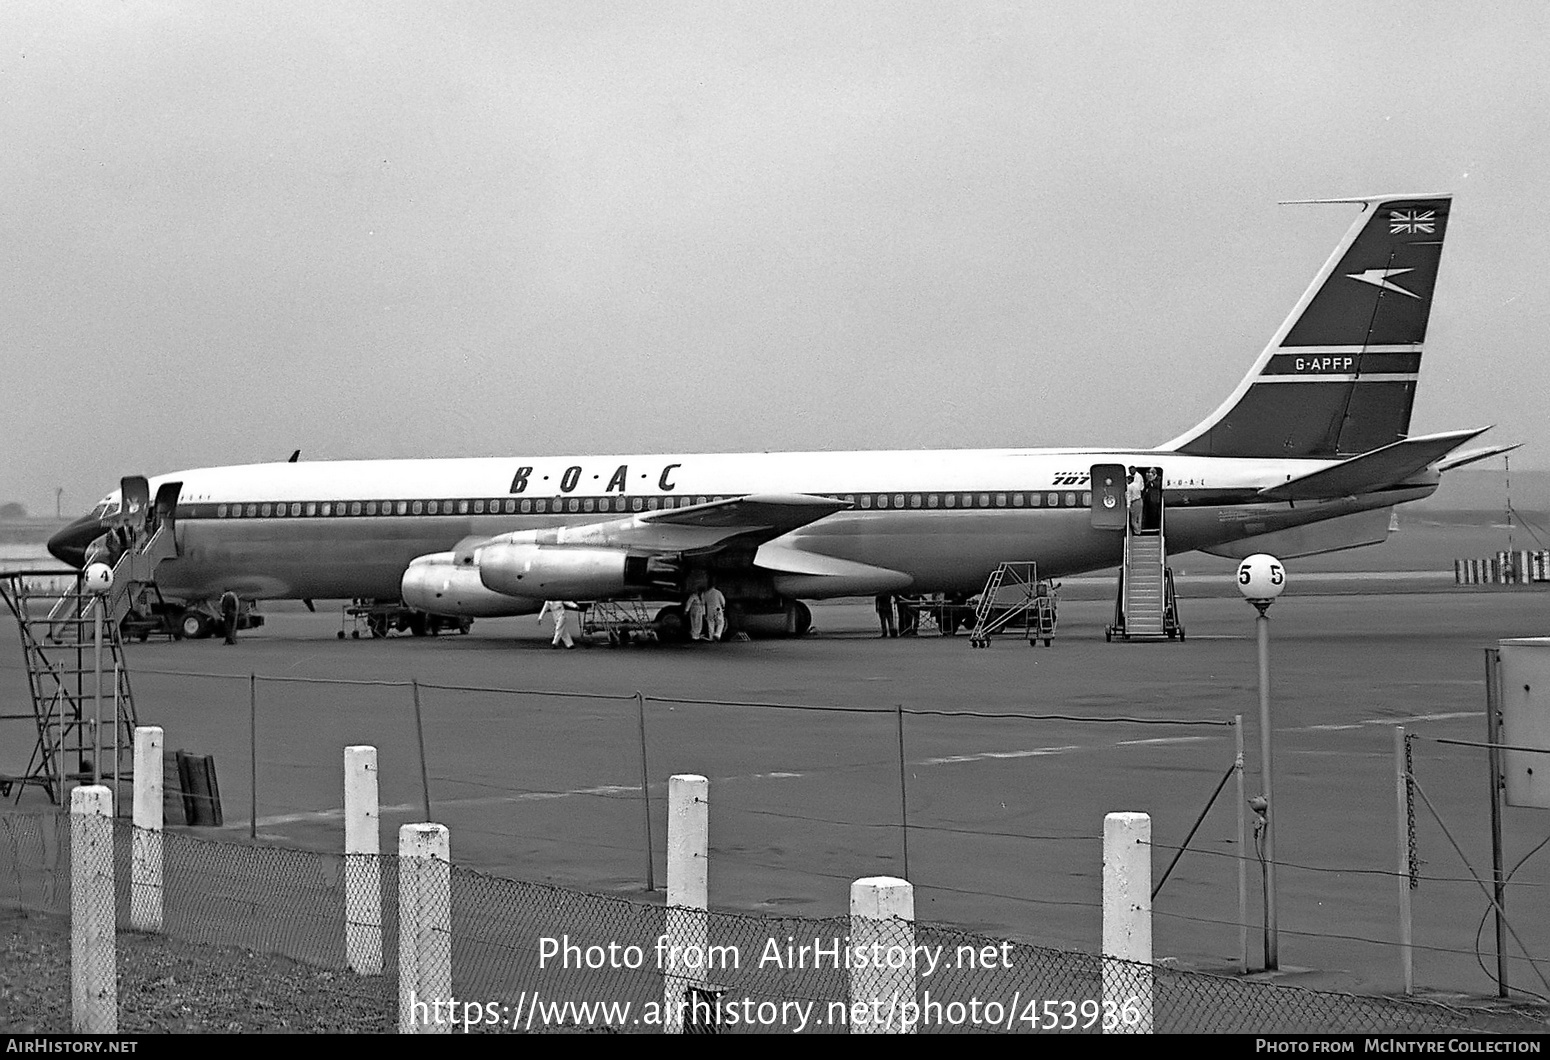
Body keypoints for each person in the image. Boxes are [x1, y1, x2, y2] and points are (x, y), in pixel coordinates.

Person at [1126, 467, 1144, 534]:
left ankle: (1137, 531)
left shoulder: (1129, 487)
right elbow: (1142, 488)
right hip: (1140, 500)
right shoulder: (1137, 485)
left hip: (1134, 502)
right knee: (1139, 517)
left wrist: (1128, 506)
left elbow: (1129, 496)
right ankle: (1139, 529)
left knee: (1133, 520)